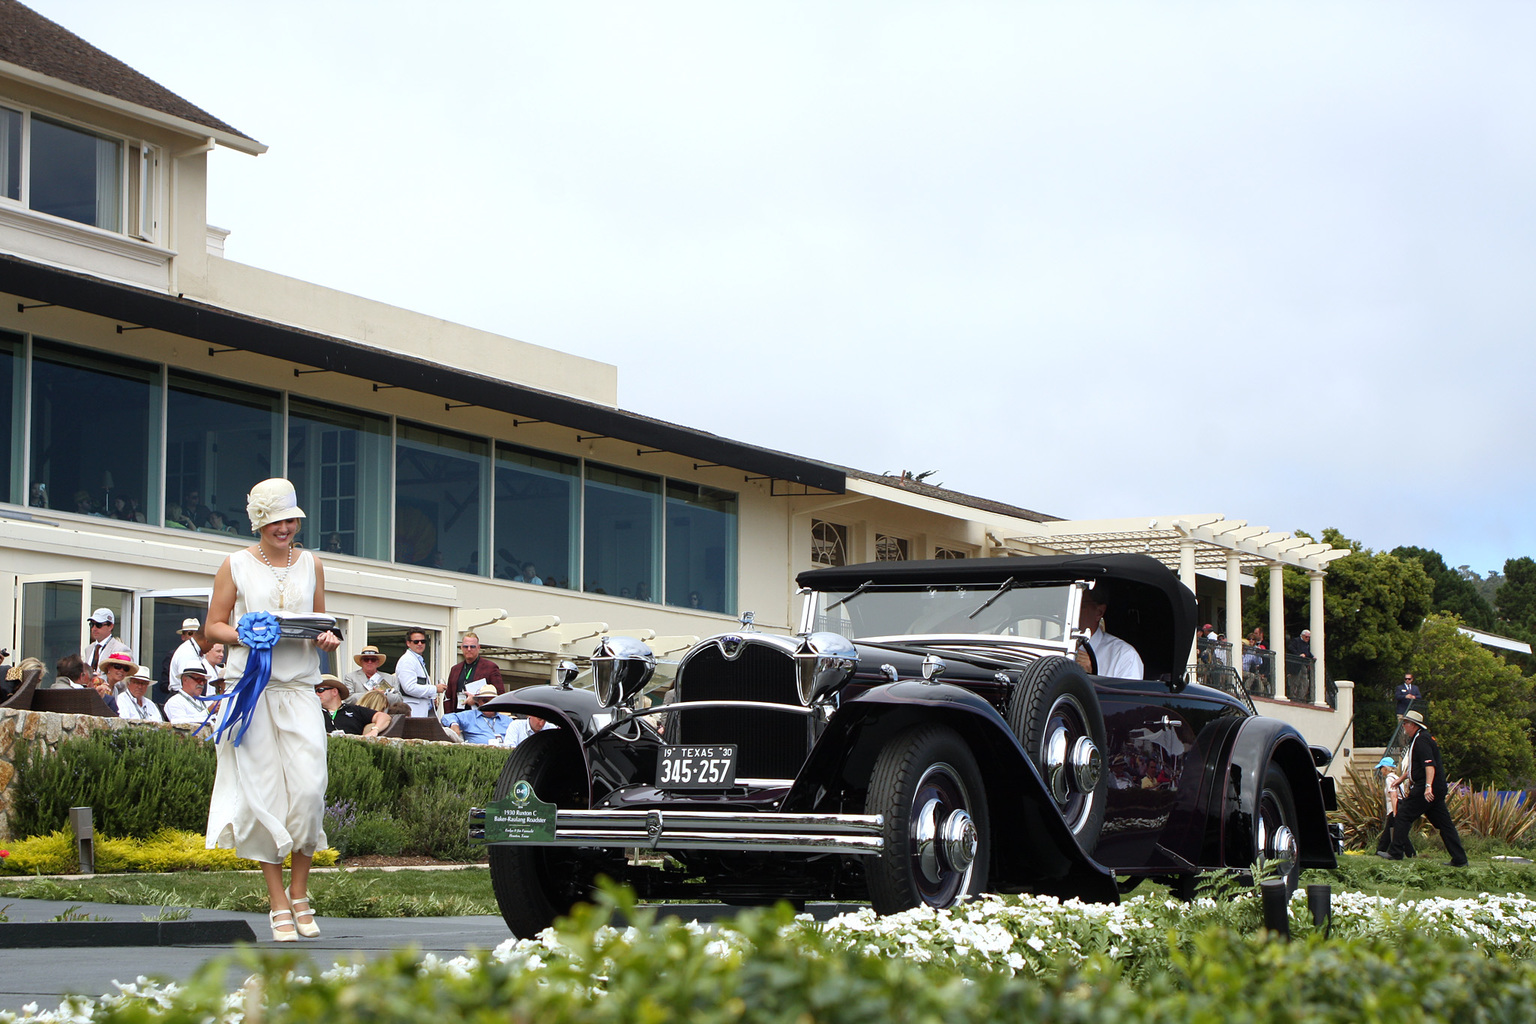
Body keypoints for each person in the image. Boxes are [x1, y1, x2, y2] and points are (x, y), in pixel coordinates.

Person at [202, 477, 341, 942]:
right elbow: (212, 628)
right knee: (265, 795)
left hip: (300, 691)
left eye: (291, 520)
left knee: (309, 790)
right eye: (276, 520)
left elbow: (325, 624)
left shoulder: (312, 564)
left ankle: (301, 893)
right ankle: (279, 901)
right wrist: (247, 633)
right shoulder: (236, 565)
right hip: (251, 692)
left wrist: (329, 638)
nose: (284, 528)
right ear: (260, 522)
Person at [1381, 710, 1467, 866]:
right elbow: (1416, 767)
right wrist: (1401, 779)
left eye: (1406, 723)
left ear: (1413, 725)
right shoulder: (1419, 739)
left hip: (1427, 786)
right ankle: (1460, 859)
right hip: (1433, 787)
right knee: (1444, 824)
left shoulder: (1422, 740)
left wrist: (1428, 787)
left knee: (1403, 815)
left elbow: (1429, 765)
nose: (1404, 726)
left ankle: (1396, 853)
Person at [1076, 587, 1144, 680]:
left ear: (1099, 612)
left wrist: (1091, 675)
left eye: (1078, 605)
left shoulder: (1124, 656)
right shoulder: (1053, 647)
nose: (1067, 610)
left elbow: (1123, 694)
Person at [445, 633, 503, 711]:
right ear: (461, 648)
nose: (469, 649)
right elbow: (448, 697)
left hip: (479, 717)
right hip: (458, 717)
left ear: (478, 648)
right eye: (466, 646)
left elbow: (500, 695)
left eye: (472, 646)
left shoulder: (490, 668)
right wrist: (450, 719)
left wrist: (476, 700)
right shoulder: (455, 669)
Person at [1372, 755, 1414, 857]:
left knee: (1391, 830)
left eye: (1381, 768)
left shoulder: (1389, 779)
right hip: (1400, 804)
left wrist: (1394, 812)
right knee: (1397, 830)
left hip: (1395, 806)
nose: (1381, 771)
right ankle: (1410, 852)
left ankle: (1380, 850)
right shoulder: (1397, 777)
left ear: (1385, 768)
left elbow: (1393, 796)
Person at [442, 683, 512, 744]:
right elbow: (446, 717)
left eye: (493, 700)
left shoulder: (507, 720)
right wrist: (454, 724)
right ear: (478, 702)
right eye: (485, 701)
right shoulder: (470, 716)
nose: (489, 704)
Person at [316, 676, 380, 735]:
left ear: (334, 692)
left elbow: (383, 717)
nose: (316, 694)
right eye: (314, 691)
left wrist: (375, 730)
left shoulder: (355, 710)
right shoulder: (314, 713)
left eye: (320, 690)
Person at [395, 628, 436, 717]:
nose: (420, 644)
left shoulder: (417, 659)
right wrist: (435, 689)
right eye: (416, 642)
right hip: (412, 711)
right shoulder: (407, 660)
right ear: (408, 643)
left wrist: (431, 699)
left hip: (422, 711)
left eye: (423, 641)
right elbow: (409, 688)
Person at [82, 607, 132, 678]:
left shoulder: (121, 649)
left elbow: (125, 680)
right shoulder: (89, 649)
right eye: (92, 624)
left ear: (110, 626)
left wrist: (102, 680)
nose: (94, 628)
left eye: (99, 625)